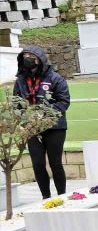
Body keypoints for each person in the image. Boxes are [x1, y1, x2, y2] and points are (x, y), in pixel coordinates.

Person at [13, 47, 71, 200]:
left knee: (55, 163)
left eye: (31, 55)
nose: (28, 58)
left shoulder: (55, 78)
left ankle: (62, 197)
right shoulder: (20, 81)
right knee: (38, 164)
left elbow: (64, 102)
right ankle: (46, 198)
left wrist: (43, 113)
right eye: (25, 55)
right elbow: (16, 104)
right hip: (32, 128)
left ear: (40, 59)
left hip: (55, 127)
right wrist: (26, 119)